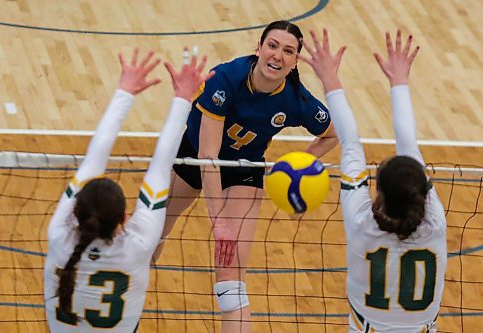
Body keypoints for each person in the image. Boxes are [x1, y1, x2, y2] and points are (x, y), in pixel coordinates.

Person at [154, 20, 338, 333]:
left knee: (230, 275)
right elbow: (208, 156)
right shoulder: (226, 79)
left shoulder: (297, 100)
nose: (278, 56)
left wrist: (298, 164)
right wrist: (219, 222)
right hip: (194, 155)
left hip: (244, 168)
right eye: (273, 45)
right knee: (150, 234)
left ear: (295, 62)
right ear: (259, 48)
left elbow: (333, 134)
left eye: (288, 51)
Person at [44, 47, 214, 332]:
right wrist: (184, 98)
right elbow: (162, 167)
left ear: (75, 210)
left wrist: (125, 92)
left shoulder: (59, 236)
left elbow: (92, 162)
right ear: (124, 219)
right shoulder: (139, 246)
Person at [300, 29, 446, 332]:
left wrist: (329, 79)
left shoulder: (362, 224)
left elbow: (350, 143)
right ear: (422, 192)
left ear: (378, 192)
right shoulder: (434, 222)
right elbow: (409, 147)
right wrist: (399, 82)